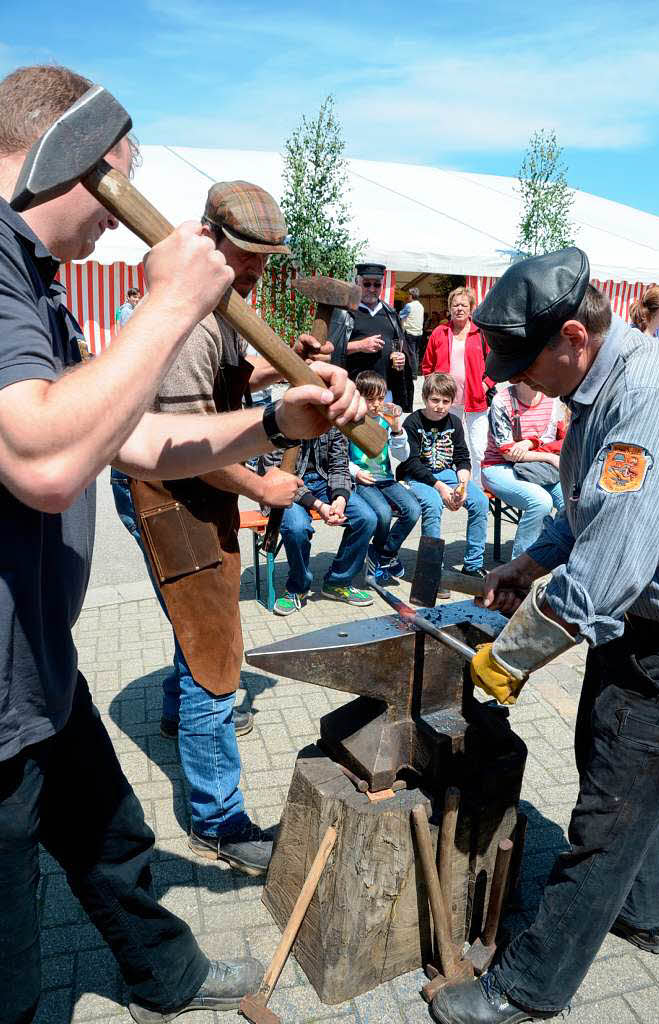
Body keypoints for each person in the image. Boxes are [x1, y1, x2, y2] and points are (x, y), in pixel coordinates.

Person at [0, 64, 365, 1024]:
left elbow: (145, 441)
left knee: (110, 837)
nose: (121, 217)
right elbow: (40, 459)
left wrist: (278, 423)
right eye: (118, 177)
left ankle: (168, 976)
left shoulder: (35, 282)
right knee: (10, 951)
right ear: (62, 159)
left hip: (35, 659)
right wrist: (170, 302)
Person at [432, 247, 659, 1024]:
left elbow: (604, 573)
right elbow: (585, 508)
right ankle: (645, 915)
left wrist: (503, 662)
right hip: (636, 627)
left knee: (607, 815)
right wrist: (528, 564)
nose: (515, 384)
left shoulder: (647, 396)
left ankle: (528, 987)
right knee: (614, 772)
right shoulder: (601, 386)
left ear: (573, 335)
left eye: (525, 366)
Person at [111, 180, 332, 877]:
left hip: (186, 479)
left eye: (268, 258)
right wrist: (266, 484)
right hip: (166, 489)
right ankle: (218, 820)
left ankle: (181, 718)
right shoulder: (187, 318)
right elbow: (186, 445)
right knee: (214, 655)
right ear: (209, 237)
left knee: (198, 635)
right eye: (249, 256)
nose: (259, 271)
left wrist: (277, 366)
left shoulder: (217, 303)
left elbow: (224, 381)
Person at [271, 427, 377, 615]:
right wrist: (320, 506)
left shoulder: (331, 423)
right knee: (297, 527)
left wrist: (340, 498)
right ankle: (297, 587)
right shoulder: (280, 425)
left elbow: (339, 466)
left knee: (366, 518)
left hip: (322, 482)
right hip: (284, 488)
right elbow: (280, 478)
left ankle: (338, 582)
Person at [396, 372, 489, 582]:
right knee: (432, 504)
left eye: (446, 401)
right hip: (416, 477)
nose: (440, 406)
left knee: (481, 502)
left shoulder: (454, 422)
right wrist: (440, 487)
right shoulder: (412, 422)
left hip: (447, 474)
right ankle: (432, 570)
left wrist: (462, 486)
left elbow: (462, 457)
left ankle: (473, 564)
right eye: (435, 400)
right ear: (425, 397)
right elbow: (410, 462)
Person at [349, 370, 420, 583]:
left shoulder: (385, 421)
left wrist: (397, 429)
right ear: (358, 398)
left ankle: (384, 553)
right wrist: (356, 472)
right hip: (363, 479)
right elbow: (339, 457)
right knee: (383, 513)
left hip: (385, 478)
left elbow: (403, 455)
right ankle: (380, 559)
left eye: (380, 399)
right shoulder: (350, 421)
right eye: (370, 399)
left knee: (413, 509)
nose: (376, 404)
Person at [481, 382, 566, 558]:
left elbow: (548, 440)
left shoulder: (551, 399)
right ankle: (520, 566)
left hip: (536, 467)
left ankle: (554, 553)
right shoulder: (501, 400)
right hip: (498, 466)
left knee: (571, 502)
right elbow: (508, 452)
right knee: (541, 502)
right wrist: (549, 457)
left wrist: (530, 442)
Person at [421, 286, 492, 484]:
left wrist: (486, 384)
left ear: (471, 309)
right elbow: (427, 365)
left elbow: (495, 362)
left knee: (478, 448)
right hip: (446, 402)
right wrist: (432, 388)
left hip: (475, 400)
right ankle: (450, 485)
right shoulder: (439, 332)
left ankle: (477, 487)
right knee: (447, 446)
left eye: (463, 305)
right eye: (455, 305)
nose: (459, 308)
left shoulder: (481, 333)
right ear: (449, 308)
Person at [330, 261, 413, 411]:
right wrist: (359, 346)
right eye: (367, 284)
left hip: (385, 393)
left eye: (377, 285)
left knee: (383, 433)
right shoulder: (344, 313)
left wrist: (402, 358)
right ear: (357, 283)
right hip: (354, 390)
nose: (372, 289)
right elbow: (328, 350)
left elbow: (400, 345)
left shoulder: (391, 313)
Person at [399, 286, 425, 380]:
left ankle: (413, 374)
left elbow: (401, 315)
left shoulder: (409, 306)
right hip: (419, 332)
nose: (407, 297)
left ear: (411, 295)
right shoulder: (421, 306)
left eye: (408, 295)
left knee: (411, 353)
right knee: (416, 353)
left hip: (410, 332)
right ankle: (416, 371)